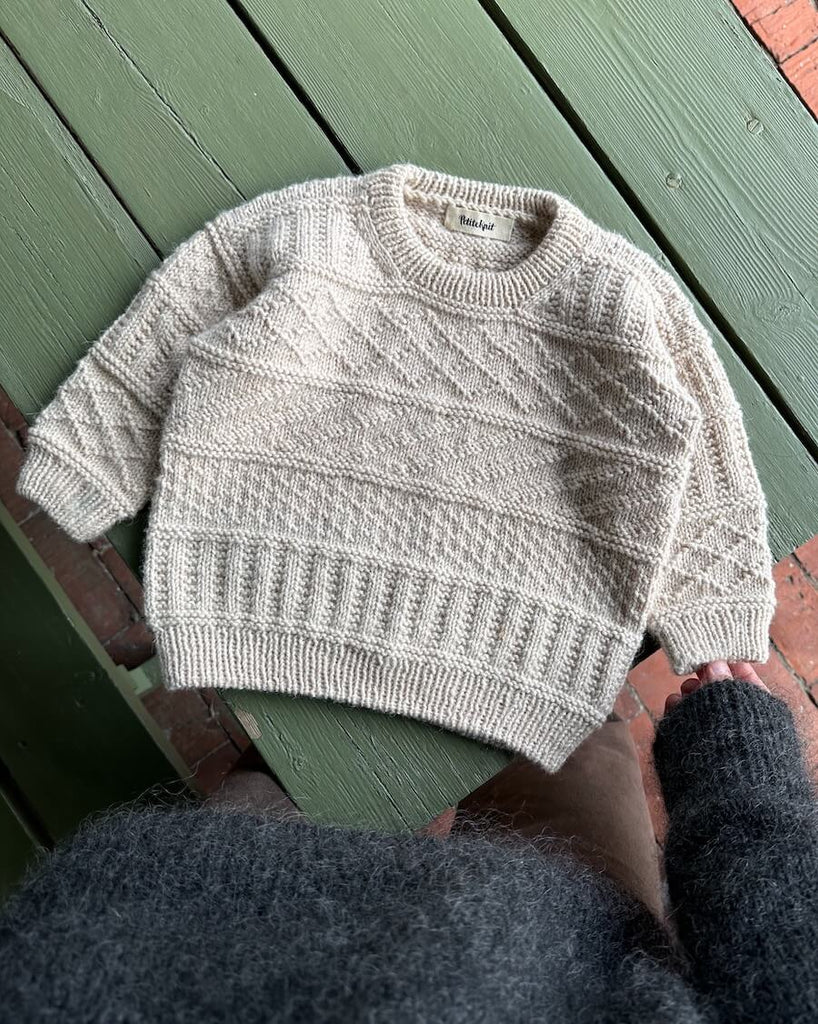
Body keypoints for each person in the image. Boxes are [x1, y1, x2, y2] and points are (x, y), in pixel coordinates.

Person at [1, 660, 816, 1022]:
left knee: (312, 739)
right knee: (562, 713)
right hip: (587, 959)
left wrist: (740, 768)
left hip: (188, 936)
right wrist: (739, 771)